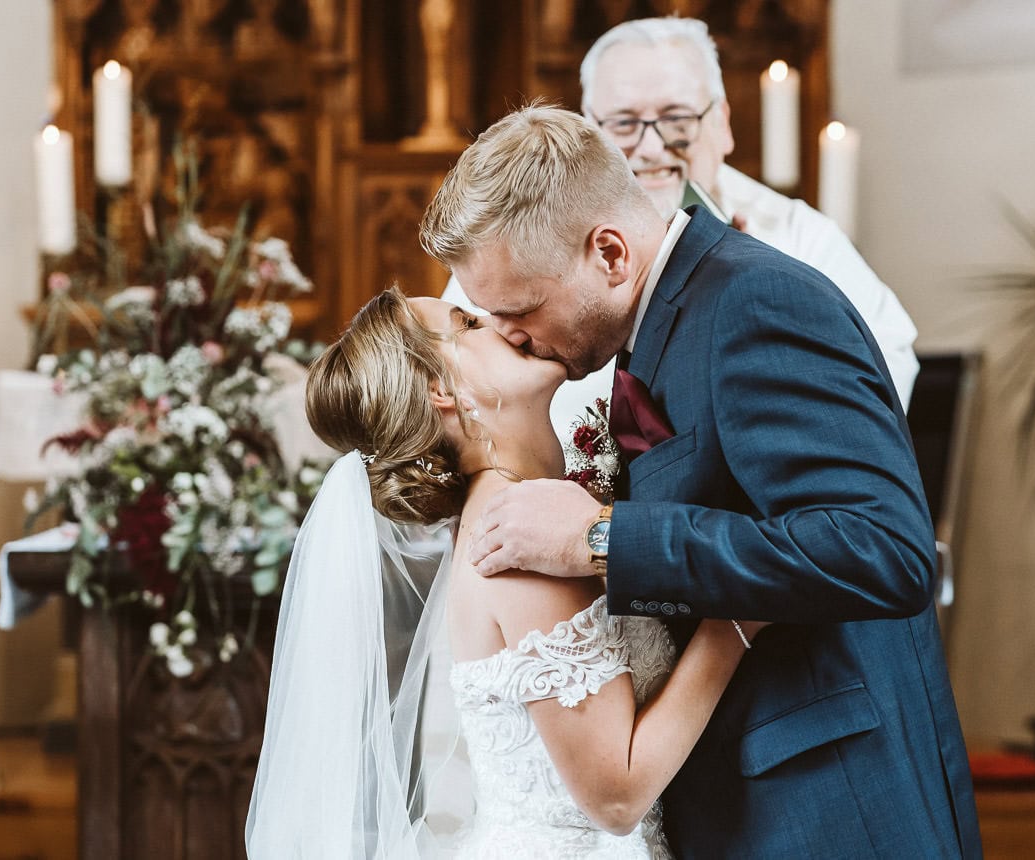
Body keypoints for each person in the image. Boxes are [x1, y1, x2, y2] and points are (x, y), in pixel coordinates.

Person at [420, 105, 982, 857]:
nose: (512, 335)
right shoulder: (657, 326)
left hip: (829, 808)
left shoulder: (755, 303)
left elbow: (883, 548)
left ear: (610, 254)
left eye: (519, 309)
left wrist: (600, 538)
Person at [245, 286, 765, 857]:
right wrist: (737, 615)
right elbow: (616, 796)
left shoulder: (533, 509)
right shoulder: (520, 540)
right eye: (468, 323)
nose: (500, 322)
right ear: (440, 389)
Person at [444, 15, 919, 435]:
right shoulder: (518, 249)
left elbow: (883, 366)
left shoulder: (799, 237)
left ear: (723, 124)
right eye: (625, 123)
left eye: (675, 118)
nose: (650, 149)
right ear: (588, 130)